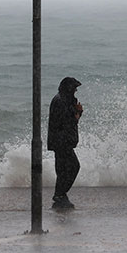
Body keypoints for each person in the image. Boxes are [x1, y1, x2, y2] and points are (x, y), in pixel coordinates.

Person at [47, 76, 83, 209]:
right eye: (74, 89)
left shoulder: (61, 99)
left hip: (60, 141)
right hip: (62, 142)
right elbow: (68, 122)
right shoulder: (61, 101)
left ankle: (60, 195)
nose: (75, 92)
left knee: (63, 170)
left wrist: (76, 112)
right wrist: (78, 113)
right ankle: (60, 194)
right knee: (74, 167)